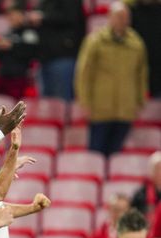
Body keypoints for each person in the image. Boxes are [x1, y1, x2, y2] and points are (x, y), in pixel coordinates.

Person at [74, 2, 149, 157]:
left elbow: (141, 74)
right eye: (119, 16)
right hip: (100, 107)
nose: (123, 21)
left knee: (117, 154)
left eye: (126, 17)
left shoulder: (136, 43)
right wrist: (85, 101)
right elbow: (84, 73)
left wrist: (140, 101)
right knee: (96, 152)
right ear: (110, 17)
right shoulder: (95, 41)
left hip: (125, 108)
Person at [27, 0, 85, 100]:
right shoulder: (43, 3)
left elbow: (70, 17)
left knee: (62, 101)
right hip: (44, 57)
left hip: (63, 55)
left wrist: (43, 17)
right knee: (46, 104)